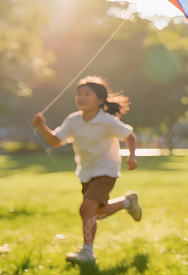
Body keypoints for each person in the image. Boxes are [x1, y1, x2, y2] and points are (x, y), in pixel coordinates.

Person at [31, 76, 141, 264]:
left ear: (99, 99)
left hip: (106, 170)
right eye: (79, 94)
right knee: (96, 213)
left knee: (86, 208)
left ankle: (87, 253)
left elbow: (129, 136)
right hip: (86, 172)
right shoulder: (73, 120)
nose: (81, 97)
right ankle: (127, 202)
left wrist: (132, 156)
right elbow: (56, 141)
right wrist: (41, 126)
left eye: (87, 94)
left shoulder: (107, 121)